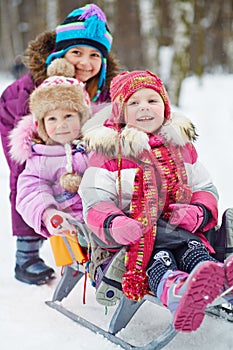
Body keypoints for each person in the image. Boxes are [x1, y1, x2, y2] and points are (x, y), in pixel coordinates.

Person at [79, 70, 233, 332]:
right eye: (134, 103)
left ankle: (213, 279)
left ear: (165, 106)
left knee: (191, 250)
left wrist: (198, 211)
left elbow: (204, 187)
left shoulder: (181, 147)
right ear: (119, 112)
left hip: (181, 229)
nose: (145, 108)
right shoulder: (108, 153)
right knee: (160, 254)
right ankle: (176, 289)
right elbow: (94, 200)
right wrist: (115, 223)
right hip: (132, 242)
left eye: (152, 100)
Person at [0, 3, 119, 285]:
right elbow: (27, 167)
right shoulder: (31, 89)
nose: (85, 62)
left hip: (76, 136)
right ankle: (26, 255)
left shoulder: (103, 89)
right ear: (60, 55)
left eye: (94, 55)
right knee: (32, 176)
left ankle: (92, 243)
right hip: (21, 125)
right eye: (76, 52)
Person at [9, 58, 91, 272]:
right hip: (71, 231)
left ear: (82, 118)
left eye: (68, 116)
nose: (61, 124)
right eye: (52, 119)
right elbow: (31, 191)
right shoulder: (41, 159)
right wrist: (49, 214)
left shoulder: (93, 148)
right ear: (41, 125)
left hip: (106, 220)